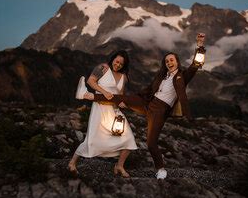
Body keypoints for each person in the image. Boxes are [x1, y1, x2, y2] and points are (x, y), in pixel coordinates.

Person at [76, 33, 206, 179]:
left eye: (171, 60)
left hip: (160, 110)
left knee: (151, 143)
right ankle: (88, 95)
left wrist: (199, 45)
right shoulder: (162, 76)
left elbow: (195, 65)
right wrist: (133, 100)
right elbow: (149, 90)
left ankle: (161, 169)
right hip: (147, 102)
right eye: (167, 61)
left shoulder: (183, 76)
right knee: (121, 97)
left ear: (177, 62)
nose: (169, 63)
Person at [68, 50, 137, 178]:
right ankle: (72, 162)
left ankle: (119, 166)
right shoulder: (102, 68)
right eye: (117, 61)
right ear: (112, 60)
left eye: (121, 64)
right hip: (99, 109)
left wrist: (122, 103)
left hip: (115, 112)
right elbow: (90, 81)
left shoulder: (124, 77)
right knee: (92, 140)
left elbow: (119, 95)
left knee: (129, 139)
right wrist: (104, 92)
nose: (118, 65)